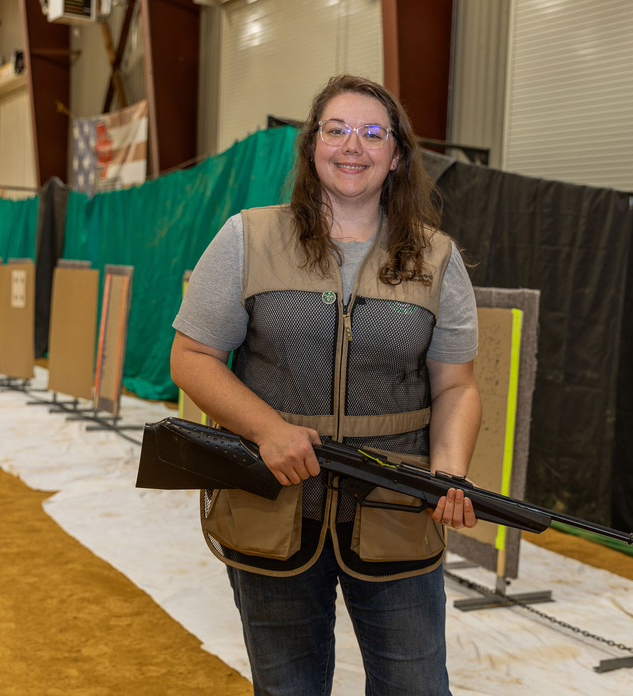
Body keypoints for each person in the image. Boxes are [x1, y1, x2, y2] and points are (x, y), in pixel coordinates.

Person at [170, 74, 482, 696]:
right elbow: (193, 356)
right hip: (272, 502)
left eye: (373, 133)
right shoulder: (247, 238)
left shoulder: (437, 258)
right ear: (312, 147)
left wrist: (447, 473)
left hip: (397, 508)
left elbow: (456, 387)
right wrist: (269, 431)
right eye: (336, 130)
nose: (352, 146)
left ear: (397, 156)